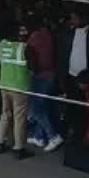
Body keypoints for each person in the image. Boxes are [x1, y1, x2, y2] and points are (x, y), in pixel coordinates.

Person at [0, 22, 34, 160]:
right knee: (19, 117)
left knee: (5, 113)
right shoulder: (25, 48)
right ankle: (19, 148)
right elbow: (32, 67)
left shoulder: (1, 45)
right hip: (20, 86)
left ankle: (0, 142)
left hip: (4, 84)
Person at [26, 16, 61, 151]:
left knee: (36, 109)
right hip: (51, 76)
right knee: (43, 107)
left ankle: (53, 136)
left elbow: (27, 52)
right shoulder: (50, 35)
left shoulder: (35, 37)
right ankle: (39, 137)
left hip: (40, 76)